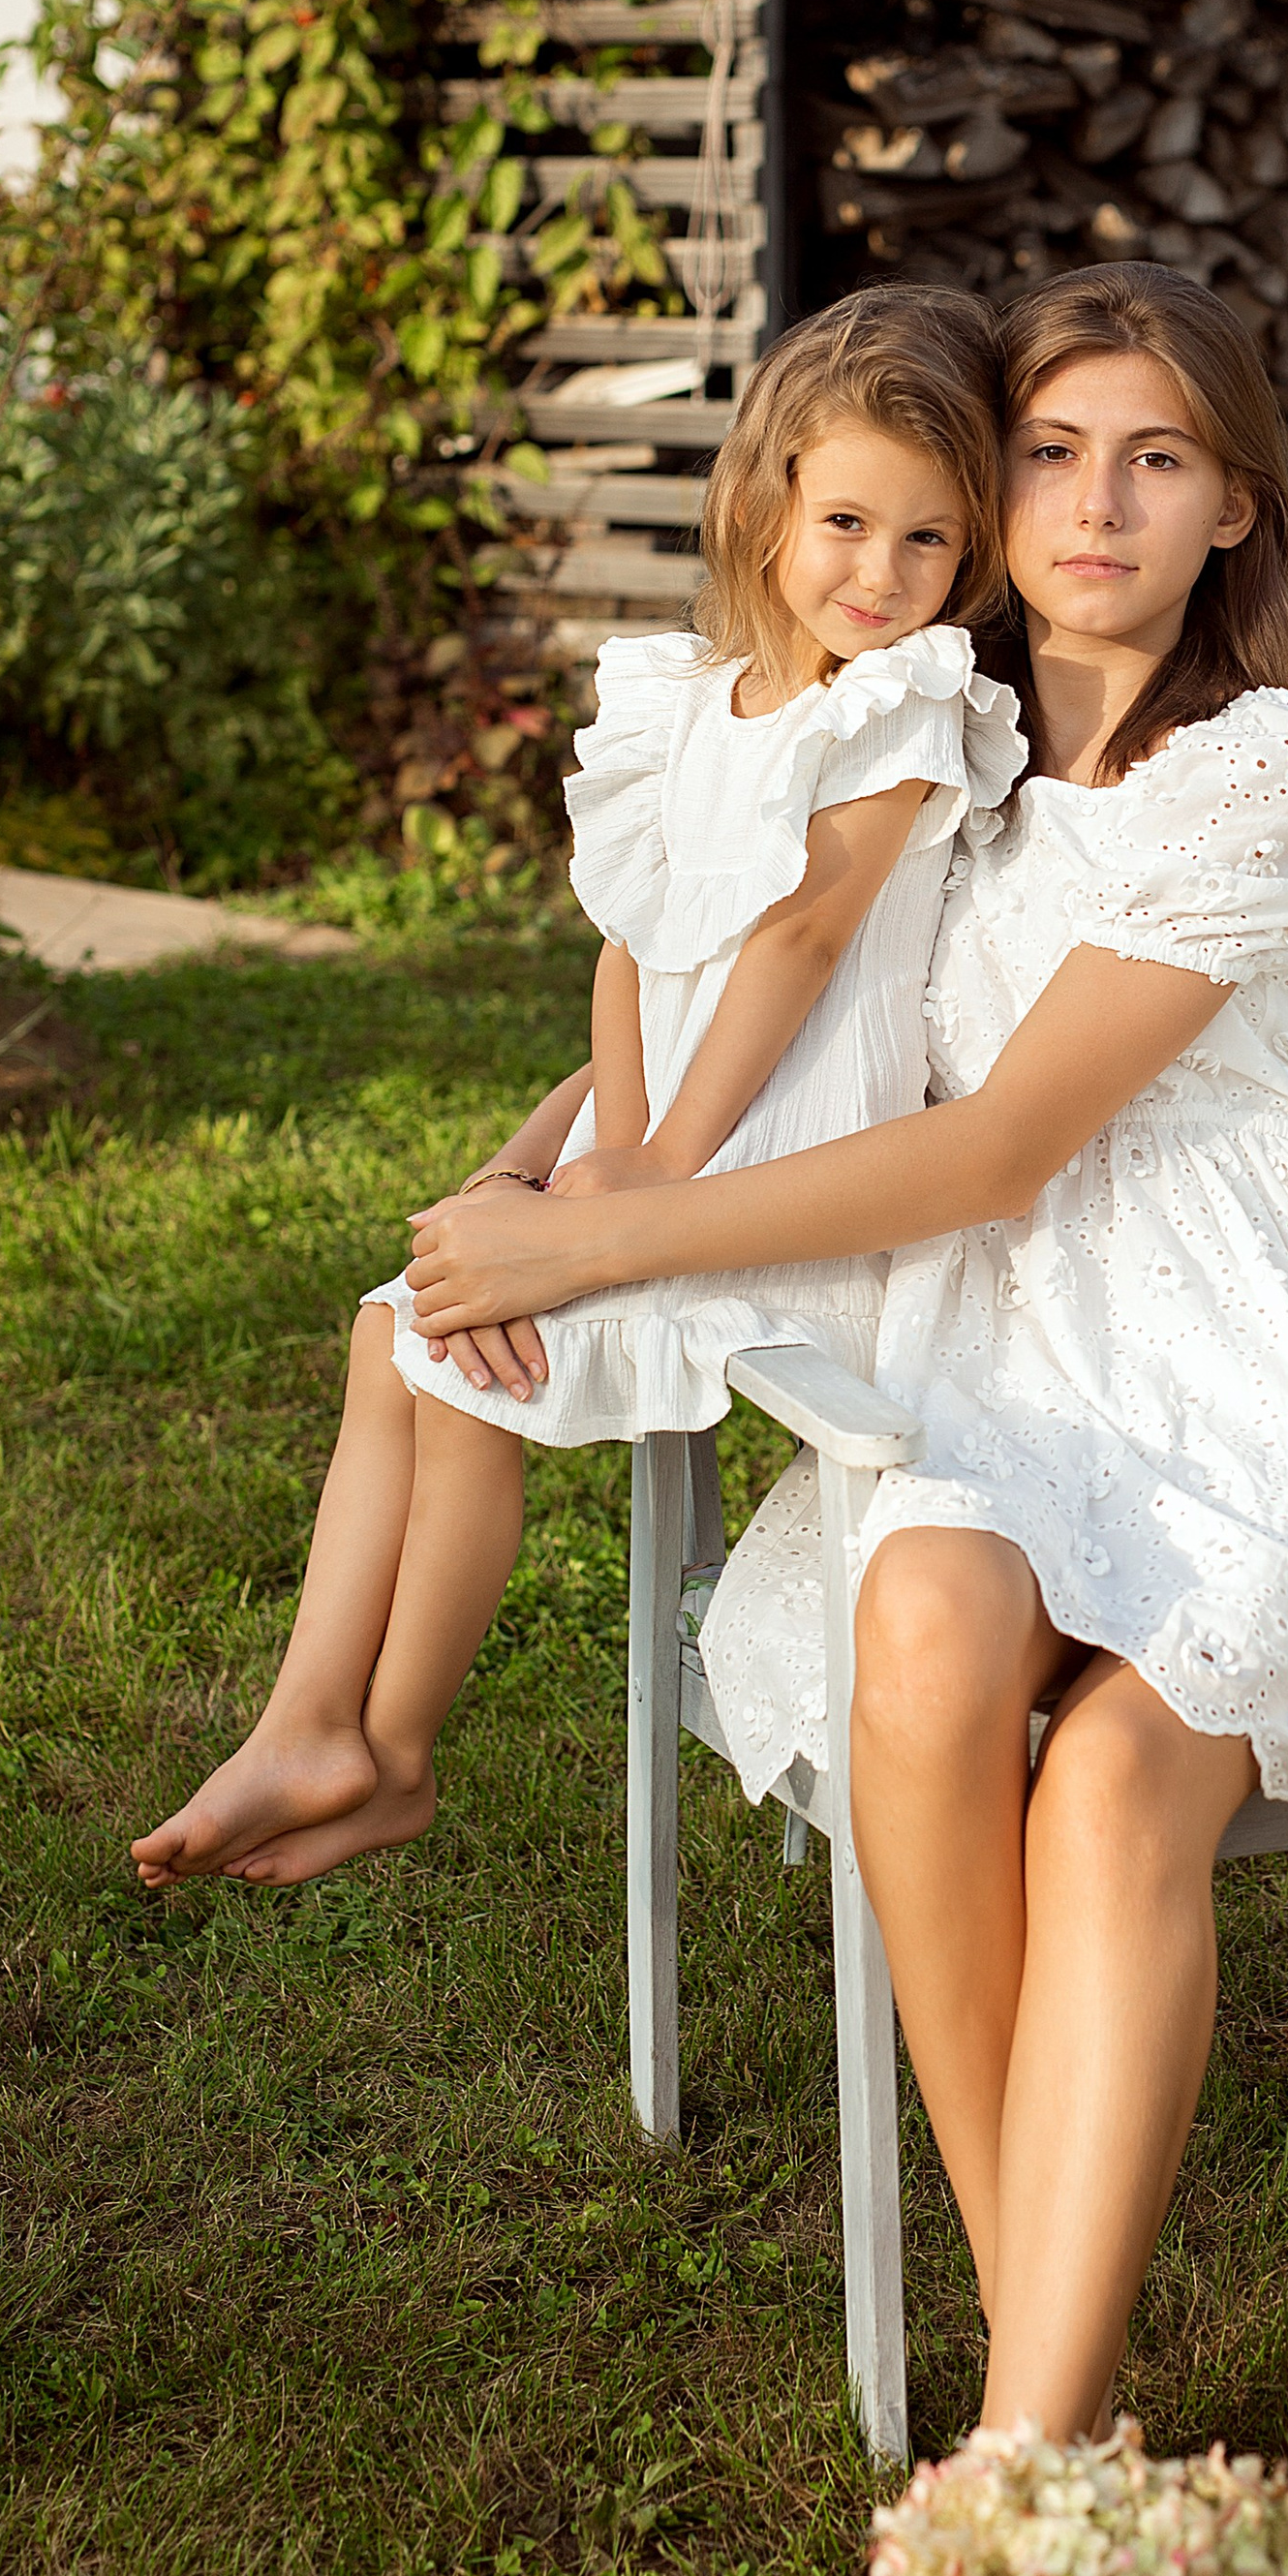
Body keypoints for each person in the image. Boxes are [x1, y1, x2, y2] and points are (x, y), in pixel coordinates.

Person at [400, 265, 1288, 2576]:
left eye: (1153, 459)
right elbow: (733, 993)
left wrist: (599, 1256)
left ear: (1237, 505)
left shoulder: (1268, 772)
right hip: (992, 1358)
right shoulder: (952, 743)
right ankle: (1068, 2435)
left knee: (1117, 1788)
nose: (1091, 506)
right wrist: (542, 1172)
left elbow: (1017, 1145)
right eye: (1051, 456)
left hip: (1247, 1359)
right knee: (919, 1627)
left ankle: (999, 2538)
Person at [133, 285, 1023, 1893]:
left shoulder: (902, 714)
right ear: (763, 507)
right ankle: (306, 1712)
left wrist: (665, 1173)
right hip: (669, 1157)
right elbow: (634, 950)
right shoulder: (686, 701)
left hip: (790, 1193)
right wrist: (584, 1155)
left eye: (930, 543)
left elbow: (808, 939)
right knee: (391, 1326)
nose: (879, 576)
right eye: (844, 521)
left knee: (473, 1372)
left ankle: (393, 1749)